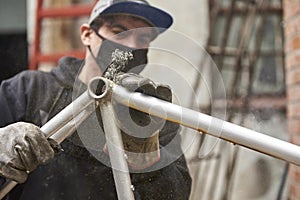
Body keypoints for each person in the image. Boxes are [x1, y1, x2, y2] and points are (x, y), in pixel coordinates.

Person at [0, 0, 192, 199]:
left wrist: (147, 160)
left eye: (143, 38)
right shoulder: (29, 90)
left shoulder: (151, 113)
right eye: (120, 31)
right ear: (87, 34)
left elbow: (177, 193)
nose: (132, 45)